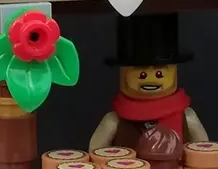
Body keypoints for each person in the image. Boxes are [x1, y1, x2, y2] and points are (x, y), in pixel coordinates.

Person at [89, 13, 208, 152]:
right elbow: (95, 152)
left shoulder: (187, 118)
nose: (151, 80)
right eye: (142, 75)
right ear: (124, 74)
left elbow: (204, 153)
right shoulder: (113, 121)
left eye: (159, 74)